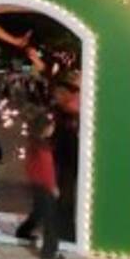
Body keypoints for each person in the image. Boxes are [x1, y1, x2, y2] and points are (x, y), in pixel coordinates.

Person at [15, 106, 64, 259]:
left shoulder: (33, 144)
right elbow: (47, 170)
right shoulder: (44, 148)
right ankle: (49, 251)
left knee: (38, 211)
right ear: (45, 128)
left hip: (36, 184)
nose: (53, 129)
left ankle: (23, 231)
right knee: (50, 218)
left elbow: (31, 166)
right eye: (51, 127)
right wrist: (53, 187)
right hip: (44, 186)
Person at [51, 70, 81, 242]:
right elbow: (70, 107)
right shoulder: (68, 94)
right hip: (66, 147)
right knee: (66, 190)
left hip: (69, 147)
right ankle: (64, 230)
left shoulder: (74, 94)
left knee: (67, 189)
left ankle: (65, 228)